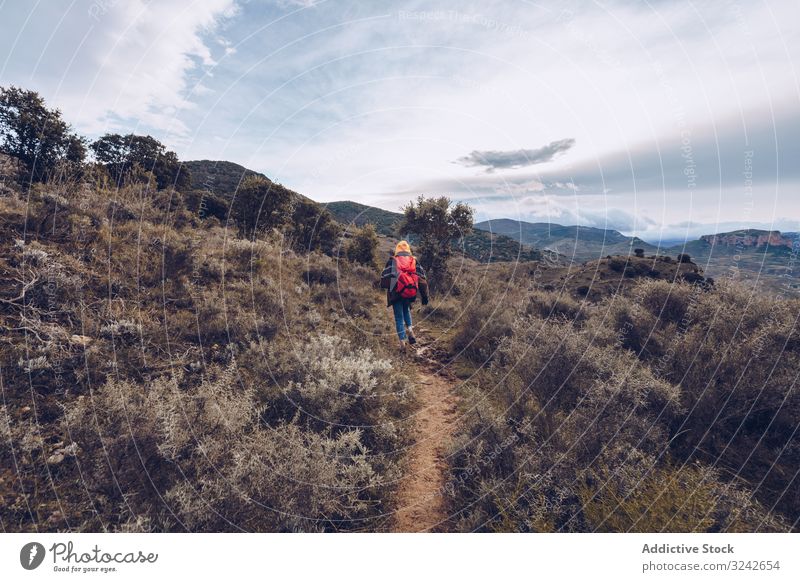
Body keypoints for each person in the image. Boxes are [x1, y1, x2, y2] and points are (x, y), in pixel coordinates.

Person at [380, 240, 429, 350]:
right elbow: (423, 280)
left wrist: (391, 285)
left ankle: (402, 342)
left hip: (396, 293)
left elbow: (384, 279)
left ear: (397, 249)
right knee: (406, 310)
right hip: (409, 293)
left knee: (398, 317)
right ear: (408, 250)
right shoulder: (414, 261)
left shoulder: (393, 261)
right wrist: (425, 297)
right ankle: (410, 331)